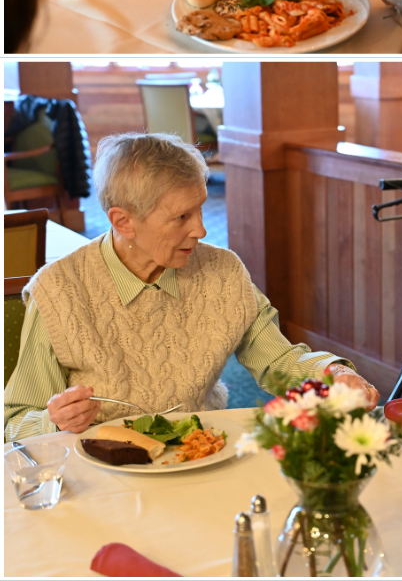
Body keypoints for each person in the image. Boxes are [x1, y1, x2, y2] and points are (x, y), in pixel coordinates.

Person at [5, 134, 380, 440]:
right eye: (182, 216)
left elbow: (278, 362)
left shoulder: (223, 270)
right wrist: (56, 420)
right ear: (123, 221)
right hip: (102, 470)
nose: (201, 229)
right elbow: (13, 422)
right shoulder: (59, 291)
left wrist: (331, 372)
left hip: (201, 452)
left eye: (201, 209)